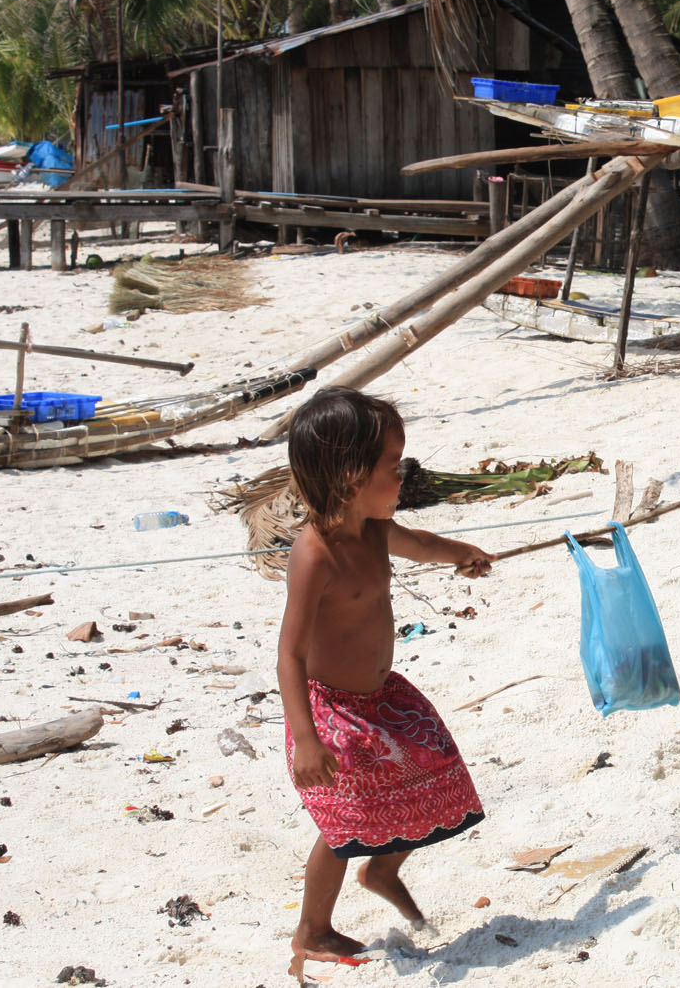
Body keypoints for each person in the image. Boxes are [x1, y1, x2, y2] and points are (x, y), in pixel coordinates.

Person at [278, 387, 495, 969]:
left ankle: (382, 869)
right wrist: (305, 738)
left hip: (383, 696)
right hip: (334, 711)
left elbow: (418, 544)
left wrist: (459, 553)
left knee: (434, 769)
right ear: (351, 475)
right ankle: (313, 930)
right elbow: (290, 655)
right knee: (344, 822)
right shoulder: (314, 553)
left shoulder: (375, 528)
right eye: (392, 466)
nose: (402, 475)